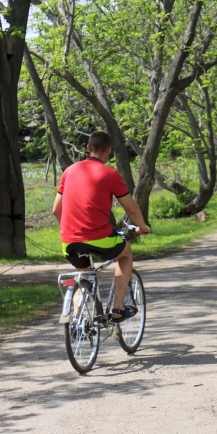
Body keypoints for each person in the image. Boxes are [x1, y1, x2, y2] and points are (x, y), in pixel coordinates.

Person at [53, 131, 151, 324]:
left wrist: (70, 230)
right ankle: (117, 308)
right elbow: (130, 208)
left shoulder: (69, 171)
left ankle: (77, 317)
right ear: (109, 151)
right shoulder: (110, 174)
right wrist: (142, 226)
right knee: (125, 255)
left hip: (69, 241)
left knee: (85, 276)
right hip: (99, 237)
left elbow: (56, 209)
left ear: (88, 148)